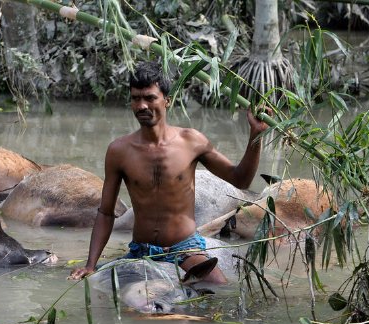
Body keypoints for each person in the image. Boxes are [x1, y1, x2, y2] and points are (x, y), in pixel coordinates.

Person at [69, 61, 269, 284]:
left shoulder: (191, 141)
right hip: (141, 250)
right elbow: (106, 213)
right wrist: (90, 264)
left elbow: (240, 179)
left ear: (167, 100)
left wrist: (255, 134)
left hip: (185, 248)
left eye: (150, 98)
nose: (142, 106)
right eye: (136, 98)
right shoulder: (119, 150)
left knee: (220, 291)